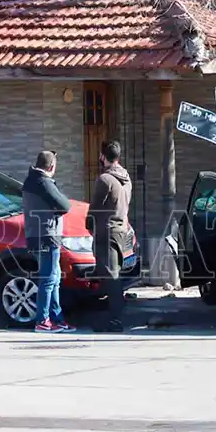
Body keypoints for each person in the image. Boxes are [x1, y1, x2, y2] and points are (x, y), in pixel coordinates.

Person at [21, 150, 76, 333]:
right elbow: (65, 205)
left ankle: (56, 318)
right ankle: (43, 320)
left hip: (37, 234)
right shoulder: (43, 182)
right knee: (49, 279)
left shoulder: (31, 180)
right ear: (51, 166)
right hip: (47, 235)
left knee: (54, 278)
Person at [86, 141, 132, 333]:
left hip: (107, 231)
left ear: (103, 157)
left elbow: (94, 208)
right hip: (121, 229)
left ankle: (115, 320)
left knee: (110, 277)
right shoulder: (126, 178)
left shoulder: (105, 179)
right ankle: (114, 316)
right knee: (115, 274)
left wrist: (89, 225)